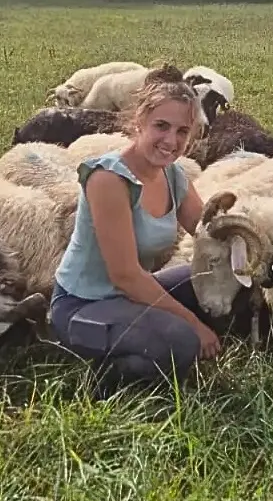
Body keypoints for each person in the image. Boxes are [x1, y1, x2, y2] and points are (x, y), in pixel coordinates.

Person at [50, 64, 222, 391]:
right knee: (182, 340)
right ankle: (103, 379)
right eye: (161, 126)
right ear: (139, 121)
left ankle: (150, 339)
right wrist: (193, 323)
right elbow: (125, 276)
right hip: (84, 306)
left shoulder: (172, 175)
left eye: (182, 131)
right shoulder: (108, 179)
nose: (171, 140)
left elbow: (210, 232)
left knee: (213, 280)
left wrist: (251, 235)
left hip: (133, 296)